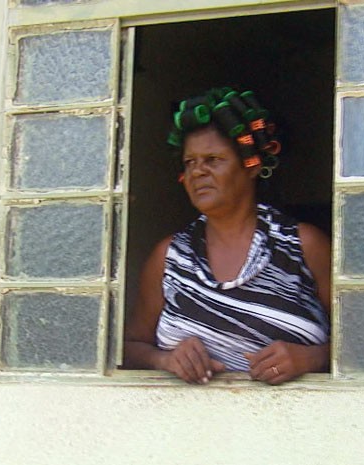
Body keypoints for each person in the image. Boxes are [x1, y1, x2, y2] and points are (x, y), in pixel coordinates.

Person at [123, 87, 331, 385]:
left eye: (213, 159)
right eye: (189, 162)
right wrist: (165, 358)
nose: (198, 172)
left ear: (252, 166)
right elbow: (129, 349)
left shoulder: (303, 246)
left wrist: (312, 358)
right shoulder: (169, 257)